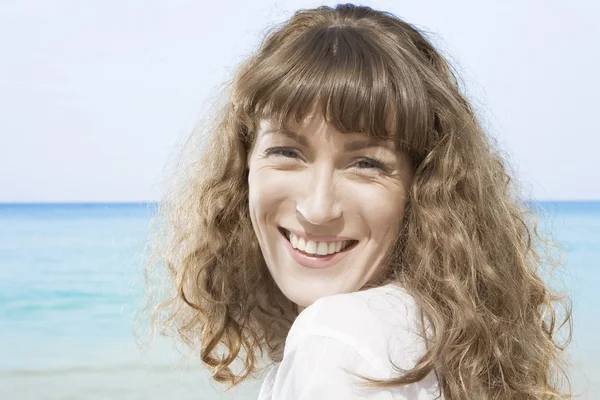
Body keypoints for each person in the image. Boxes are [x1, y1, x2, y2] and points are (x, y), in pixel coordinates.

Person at [143, 3, 573, 399]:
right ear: (244, 168)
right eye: (287, 153)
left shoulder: (340, 342)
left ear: (422, 187)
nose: (317, 208)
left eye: (366, 163)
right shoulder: (431, 336)